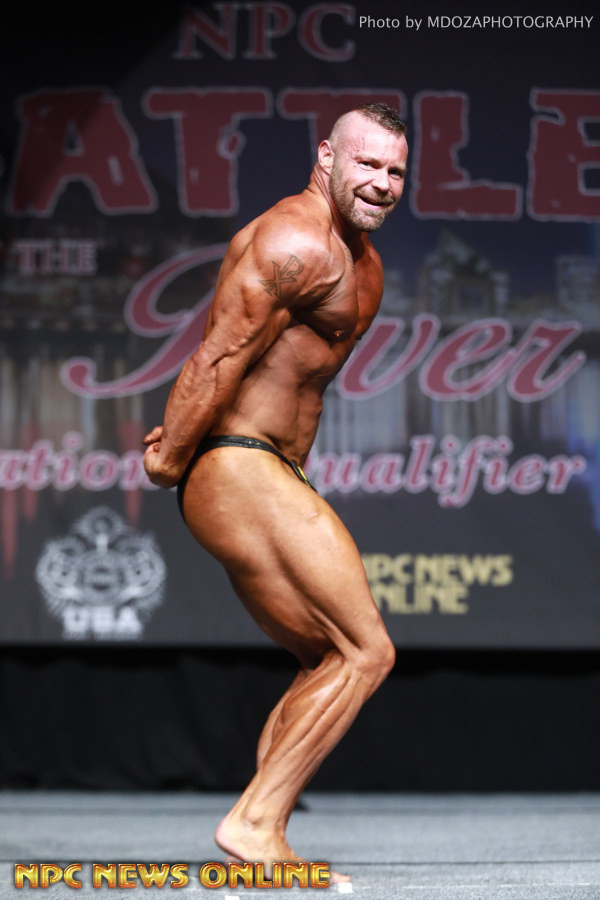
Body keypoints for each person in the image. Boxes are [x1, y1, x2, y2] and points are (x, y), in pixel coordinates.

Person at [143, 103, 408, 881]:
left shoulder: (362, 261)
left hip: (271, 468)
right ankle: (254, 823)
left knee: (329, 656)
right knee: (367, 650)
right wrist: (171, 455)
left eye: (396, 170)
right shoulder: (295, 241)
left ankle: (268, 838)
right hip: (237, 462)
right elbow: (219, 357)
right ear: (326, 157)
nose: (382, 182)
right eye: (367, 163)